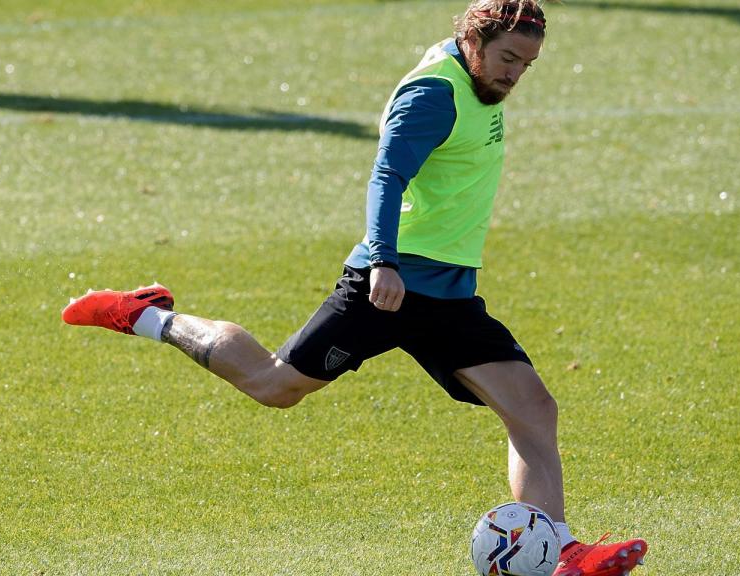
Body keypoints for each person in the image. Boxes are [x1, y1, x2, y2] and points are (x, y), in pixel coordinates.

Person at [63, 1, 647, 574]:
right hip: (388, 287)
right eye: (507, 58)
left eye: (526, 65)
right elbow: (387, 175)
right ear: (473, 40)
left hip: (448, 296)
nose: (514, 74)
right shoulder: (433, 95)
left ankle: (561, 554)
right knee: (273, 385)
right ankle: (149, 316)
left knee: (533, 409)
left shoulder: (480, 86)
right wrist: (383, 262)